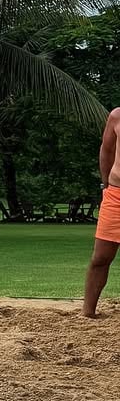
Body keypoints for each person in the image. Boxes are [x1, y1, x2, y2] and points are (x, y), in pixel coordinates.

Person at [82, 106, 120, 317]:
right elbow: (106, 150)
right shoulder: (117, 116)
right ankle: (87, 314)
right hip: (116, 196)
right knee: (100, 257)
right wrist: (105, 184)